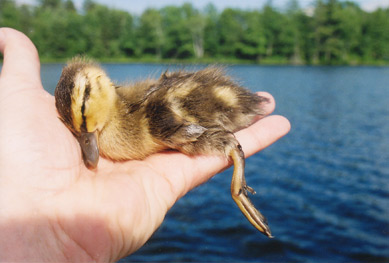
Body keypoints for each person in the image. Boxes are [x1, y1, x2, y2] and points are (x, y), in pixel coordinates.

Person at [0, 28, 290, 262]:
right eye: (79, 132)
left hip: (196, 110)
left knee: (182, 126)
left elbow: (177, 111)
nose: (88, 140)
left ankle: (238, 189)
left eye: (85, 121)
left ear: (100, 85)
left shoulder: (155, 118)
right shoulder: (125, 109)